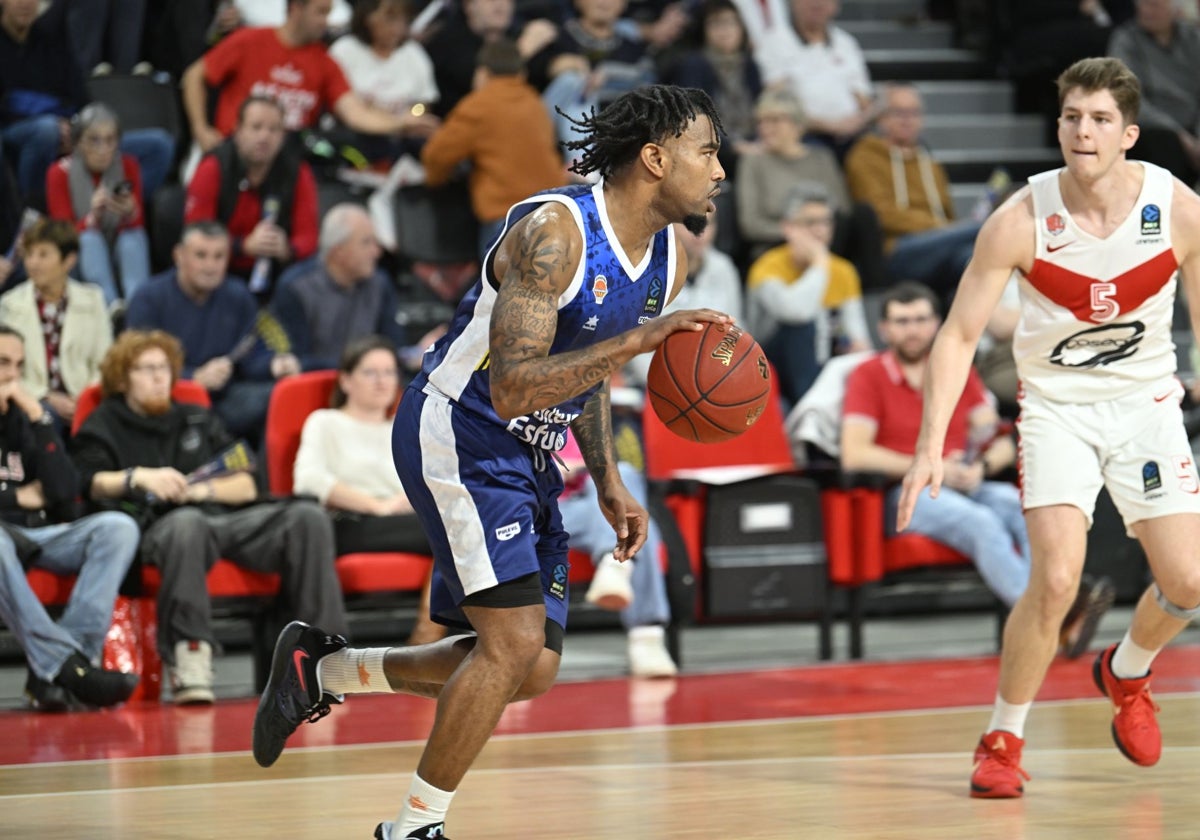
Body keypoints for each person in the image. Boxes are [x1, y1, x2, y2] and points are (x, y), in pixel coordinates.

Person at [251, 85, 730, 839]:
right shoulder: (555, 235)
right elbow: (511, 386)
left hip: (535, 452)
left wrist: (605, 477)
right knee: (509, 646)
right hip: (462, 428)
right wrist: (640, 343)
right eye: (708, 151)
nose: (720, 170)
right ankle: (413, 828)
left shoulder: (665, 256)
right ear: (655, 158)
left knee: (531, 667)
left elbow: (586, 367)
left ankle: (324, 670)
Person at [896, 56, 1200, 799]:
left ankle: (1125, 672)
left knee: (1189, 583)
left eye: (1099, 120)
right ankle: (1002, 738)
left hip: (1147, 405)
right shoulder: (1020, 219)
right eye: (1071, 118)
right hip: (1057, 408)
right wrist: (929, 446)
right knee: (1057, 577)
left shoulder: (1179, 209)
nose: (1082, 131)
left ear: (1128, 134)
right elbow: (959, 335)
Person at [71, 329, 348, 705]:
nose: (158, 377)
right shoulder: (104, 421)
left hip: (224, 519)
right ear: (122, 377)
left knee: (307, 517)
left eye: (164, 368)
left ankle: (324, 656)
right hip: (158, 528)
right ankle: (191, 658)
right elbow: (89, 482)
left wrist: (201, 491)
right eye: (145, 369)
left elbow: (247, 484)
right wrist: (138, 477)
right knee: (188, 524)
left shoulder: (195, 417)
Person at [842, 281, 1114, 656]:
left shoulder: (956, 369)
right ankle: (1048, 623)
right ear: (884, 328)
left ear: (937, 323)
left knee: (1025, 508)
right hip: (905, 492)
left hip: (964, 481)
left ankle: (1058, 610)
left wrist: (981, 466)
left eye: (921, 319)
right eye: (902, 321)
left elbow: (994, 434)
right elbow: (854, 454)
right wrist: (928, 465)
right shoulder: (867, 375)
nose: (913, 329)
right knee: (981, 523)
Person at [0, 324, 142, 711]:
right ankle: (72, 670)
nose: (11, 375)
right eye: (2, 363)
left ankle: (60, 665)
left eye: (17, 365)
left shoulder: (30, 416)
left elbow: (64, 492)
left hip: (42, 533)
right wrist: (16, 495)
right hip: (3, 538)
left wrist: (38, 417)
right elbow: (29, 494)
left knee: (118, 528)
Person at [292, 335, 443, 645]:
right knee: (455, 529)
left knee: (465, 525)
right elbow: (308, 480)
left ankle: (432, 630)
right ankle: (429, 638)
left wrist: (409, 501)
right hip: (348, 522)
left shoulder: (405, 427)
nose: (382, 381)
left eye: (389, 372)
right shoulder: (326, 422)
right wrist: (376, 506)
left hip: (404, 522)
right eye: (371, 372)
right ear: (346, 381)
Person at [125, 221, 299, 443]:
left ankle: (266, 476)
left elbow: (249, 355)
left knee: (282, 397)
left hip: (227, 398)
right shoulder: (148, 299)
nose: (210, 266)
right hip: (169, 401)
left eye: (219, 257)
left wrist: (274, 364)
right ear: (179, 256)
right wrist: (193, 377)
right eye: (201, 255)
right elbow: (137, 367)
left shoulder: (239, 296)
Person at [420, 38, 566, 258]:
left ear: (482, 73)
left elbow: (435, 156)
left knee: (499, 290)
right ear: (521, 74)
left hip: (507, 217)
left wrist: (435, 180)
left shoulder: (479, 106)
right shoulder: (534, 102)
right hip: (554, 213)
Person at [557, 427, 678, 677]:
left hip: (593, 508)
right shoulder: (507, 417)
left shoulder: (572, 420)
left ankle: (614, 564)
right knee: (637, 524)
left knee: (622, 475)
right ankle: (646, 637)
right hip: (549, 511)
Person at [845, 82, 982, 300]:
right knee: (985, 229)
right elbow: (881, 214)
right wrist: (940, 228)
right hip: (897, 251)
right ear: (880, 118)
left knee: (971, 260)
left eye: (914, 112)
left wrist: (945, 231)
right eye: (898, 112)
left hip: (939, 246)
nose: (907, 119)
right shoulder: (864, 156)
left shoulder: (929, 161)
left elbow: (947, 213)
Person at [746, 185, 871, 406]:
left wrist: (857, 347)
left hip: (825, 363)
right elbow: (797, 313)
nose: (820, 231)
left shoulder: (843, 271)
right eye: (810, 222)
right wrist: (819, 265)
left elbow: (858, 334)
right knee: (802, 328)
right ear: (788, 227)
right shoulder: (767, 267)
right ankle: (810, 411)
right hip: (769, 365)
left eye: (826, 222)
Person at [184, 94, 319, 289]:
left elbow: (309, 236)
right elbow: (195, 232)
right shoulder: (213, 167)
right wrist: (242, 246)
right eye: (256, 127)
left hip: (276, 271)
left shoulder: (298, 171)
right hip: (220, 271)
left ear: (283, 136)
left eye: (274, 130)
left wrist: (288, 249)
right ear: (238, 131)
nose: (264, 137)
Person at [0, 219, 112, 431]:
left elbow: (104, 362)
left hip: (84, 399)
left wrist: (83, 400)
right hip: (32, 398)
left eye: (43, 254)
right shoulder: (10, 304)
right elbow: (6, 368)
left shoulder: (93, 300)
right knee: (47, 416)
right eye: (29, 254)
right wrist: (46, 397)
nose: (33, 263)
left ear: (69, 260)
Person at [268, 204, 407, 372]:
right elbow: (296, 361)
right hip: (313, 386)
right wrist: (356, 369)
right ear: (338, 251)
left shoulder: (380, 283)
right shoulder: (295, 288)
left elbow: (392, 348)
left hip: (368, 386)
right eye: (366, 243)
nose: (376, 252)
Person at [45, 103, 151, 305]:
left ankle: (138, 306)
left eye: (110, 140)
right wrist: (91, 219)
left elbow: (138, 224)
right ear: (78, 143)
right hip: (80, 254)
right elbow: (62, 236)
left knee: (132, 238)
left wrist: (130, 213)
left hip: (118, 243)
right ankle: (108, 308)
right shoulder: (59, 172)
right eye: (94, 140)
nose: (103, 149)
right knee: (89, 240)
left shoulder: (128, 165)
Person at [328, 0, 439, 167]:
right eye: (390, 19)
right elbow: (337, 105)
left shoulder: (414, 55)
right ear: (368, 18)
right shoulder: (345, 50)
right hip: (352, 135)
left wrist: (413, 115)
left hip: (400, 139)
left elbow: (422, 105)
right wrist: (381, 118)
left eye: (404, 21)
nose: (397, 28)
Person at [1108, 0, 1200, 186]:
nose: (1145, 11)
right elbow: (1127, 95)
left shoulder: (1193, 38)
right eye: (1141, 5)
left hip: (1193, 123)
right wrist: (1180, 135)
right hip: (1151, 127)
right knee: (1164, 143)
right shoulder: (1125, 39)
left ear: (1175, 10)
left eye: (1154, 5)